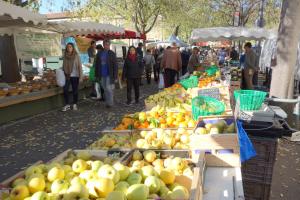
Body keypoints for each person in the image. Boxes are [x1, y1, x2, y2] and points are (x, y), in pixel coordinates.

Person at [95, 40, 118, 108]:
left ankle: (110, 103)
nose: (107, 46)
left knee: (108, 88)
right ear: (103, 45)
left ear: (109, 45)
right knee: (104, 88)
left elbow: (115, 65)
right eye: (105, 45)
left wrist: (115, 76)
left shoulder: (112, 53)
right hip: (102, 74)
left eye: (108, 45)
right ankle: (107, 102)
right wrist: (96, 75)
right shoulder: (99, 53)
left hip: (109, 74)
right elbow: (97, 65)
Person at [62, 43, 83, 112]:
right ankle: (67, 104)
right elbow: (63, 66)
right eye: (68, 47)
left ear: (73, 48)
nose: (69, 48)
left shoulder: (76, 56)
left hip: (75, 75)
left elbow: (80, 66)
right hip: (67, 76)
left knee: (75, 90)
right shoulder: (65, 56)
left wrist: (81, 77)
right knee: (65, 89)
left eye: (70, 47)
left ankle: (75, 104)